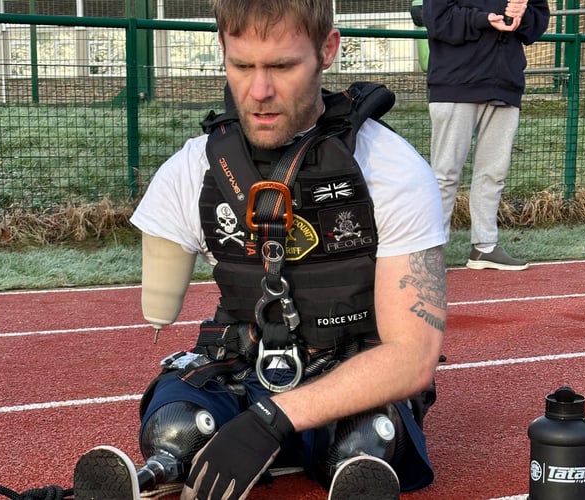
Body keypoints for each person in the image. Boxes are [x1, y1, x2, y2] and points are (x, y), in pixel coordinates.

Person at [72, 1, 446, 499]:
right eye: (242, 65)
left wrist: (270, 421)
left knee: (363, 440)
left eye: (283, 66)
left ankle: (346, 471)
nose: (259, 91)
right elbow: (157, 306)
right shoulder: (189, 171)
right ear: (222, 51)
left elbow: (412, 357)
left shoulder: (393, 170)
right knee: (177, 425)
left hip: (344, 370)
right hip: (243, 365)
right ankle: (155, 473)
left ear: (327, 50)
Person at [422, 0, 550, 271]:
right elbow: (438, 20)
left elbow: (538, 22)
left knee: (493, 173)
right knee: (445, 174)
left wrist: (523, 15)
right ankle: (431, 251)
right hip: (454, 83)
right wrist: (484, 19)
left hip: (505, 84)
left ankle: (484, 247)